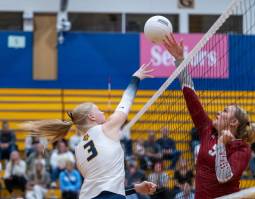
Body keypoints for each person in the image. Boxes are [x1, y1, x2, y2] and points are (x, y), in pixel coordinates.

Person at [21, 63, 157, 199]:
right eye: (98, 109)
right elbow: (125, 101)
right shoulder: (106, 128)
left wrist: (135, 188)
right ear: (91, 117)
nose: (102, 111)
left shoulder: (78, 150)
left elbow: (101, 186)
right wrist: (136, 78)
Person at [163, 34, 255, 198]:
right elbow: (190, 96)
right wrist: (180, 61)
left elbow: (224, 177)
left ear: (234, 122)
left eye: (224, 111)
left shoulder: (242, 149)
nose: (218, 113)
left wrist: (222, 145)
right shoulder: (207, 130)